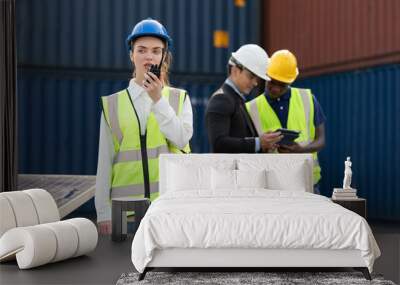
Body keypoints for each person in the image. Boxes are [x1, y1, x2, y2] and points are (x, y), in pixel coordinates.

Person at [95, 18, 193, 234]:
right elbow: (105, 162)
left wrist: (158, 100)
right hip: (125, 214)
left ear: (163, 56)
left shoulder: (179, 99)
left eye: (156, 51)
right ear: (132, 55)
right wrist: (103, 212)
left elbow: (181, 139)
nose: (149, 56)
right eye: (142, 50)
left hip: (168, 211)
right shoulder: (112, 104)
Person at [246, 50, 326, 193]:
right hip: (271, 186)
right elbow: (247, 149)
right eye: (271, 82)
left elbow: (321, 140)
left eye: (281, 84)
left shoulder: (308, 99)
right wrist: (264, 146)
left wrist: (301, 150)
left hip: (307, 183)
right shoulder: (251, 108)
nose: (275, 88)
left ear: (290, 81)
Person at [206, 44, 282, 153]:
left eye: (257, 78)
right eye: (251, 77)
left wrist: (264, 144)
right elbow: (219, 143)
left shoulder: (235, 99)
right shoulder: (221, 99)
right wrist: (258, 142)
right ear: (235, 71)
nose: (255, 83)